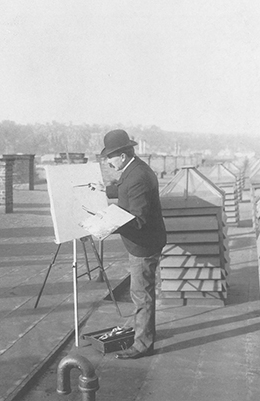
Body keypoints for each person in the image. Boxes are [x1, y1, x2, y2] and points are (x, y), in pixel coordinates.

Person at [94, 129, 167, 359]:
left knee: (141, 295)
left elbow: (139, 221)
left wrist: (108, 223)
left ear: (122, 156)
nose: (108, 162)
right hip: (143, 243)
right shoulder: (134, 169)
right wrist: (105, 190)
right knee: (141, 292)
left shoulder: (137, 177)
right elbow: (123, 187)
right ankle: (145, 332)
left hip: (143, 246)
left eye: (110, 158)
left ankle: (143, 344)